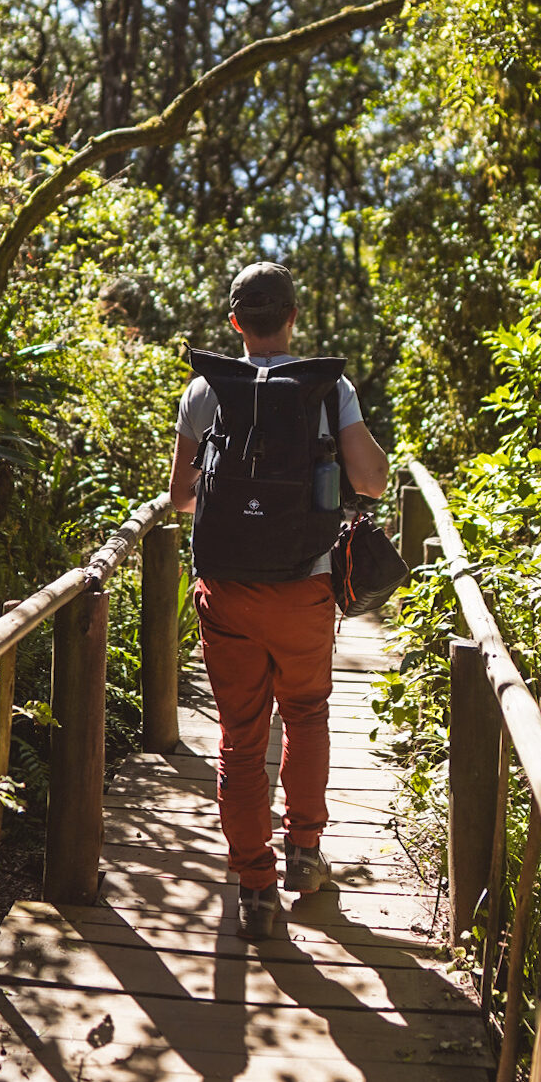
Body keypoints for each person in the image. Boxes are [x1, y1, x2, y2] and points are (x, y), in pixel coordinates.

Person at [167, 262, 390, 940]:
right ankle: (304, 849)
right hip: (305, 585)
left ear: (235, 323)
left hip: (227, 589)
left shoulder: (205, 390)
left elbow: (180, 496)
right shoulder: (329, 386)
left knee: (239, 739)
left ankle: (255, 887)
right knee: (307, 712)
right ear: (294, 317)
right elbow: (373, 482)